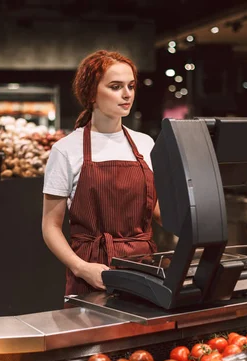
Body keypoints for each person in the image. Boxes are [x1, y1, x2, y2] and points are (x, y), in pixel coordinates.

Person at [42, 50, 161, 296]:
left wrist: (196, 230)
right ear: (91, 93)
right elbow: (50, 226)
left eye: (130, 86)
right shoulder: (66, 149)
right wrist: (81, 268)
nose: (127, 94)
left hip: (144, 266)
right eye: (116, 86)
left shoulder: (145, 144)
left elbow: (157, 211)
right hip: (92, 271)